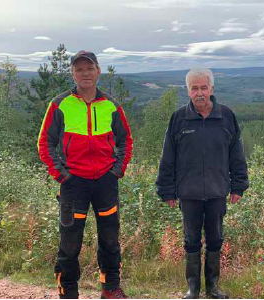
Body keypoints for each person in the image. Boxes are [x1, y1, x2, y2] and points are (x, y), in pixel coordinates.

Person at [38, 51, 133, 299]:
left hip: (105, 182)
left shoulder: (111, 105)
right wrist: (62, 176)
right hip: (73, 184)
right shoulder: (60, 104)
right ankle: (68, 292)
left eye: (89, 68)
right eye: (79, 69)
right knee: (70, 244)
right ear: (73, 73)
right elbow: (44, 143)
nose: (85, 73)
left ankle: (110, 288)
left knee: (110, 240)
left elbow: (126, 141)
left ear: (98, 71)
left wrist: (116, 171)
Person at [156, 68, 248, 299]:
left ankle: (213, 288)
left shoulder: (226, 116)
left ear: (212, 89)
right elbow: (168, 156)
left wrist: (238, 186)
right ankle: (193, 289)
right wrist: (166, 189)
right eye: (194, 88)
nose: (200, 93)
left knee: (216, 239)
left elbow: (237, 154)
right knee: (191, 241)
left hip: (218, 191)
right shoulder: (179, 118)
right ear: (188, 91)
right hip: (189, 193)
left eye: (204, 87)